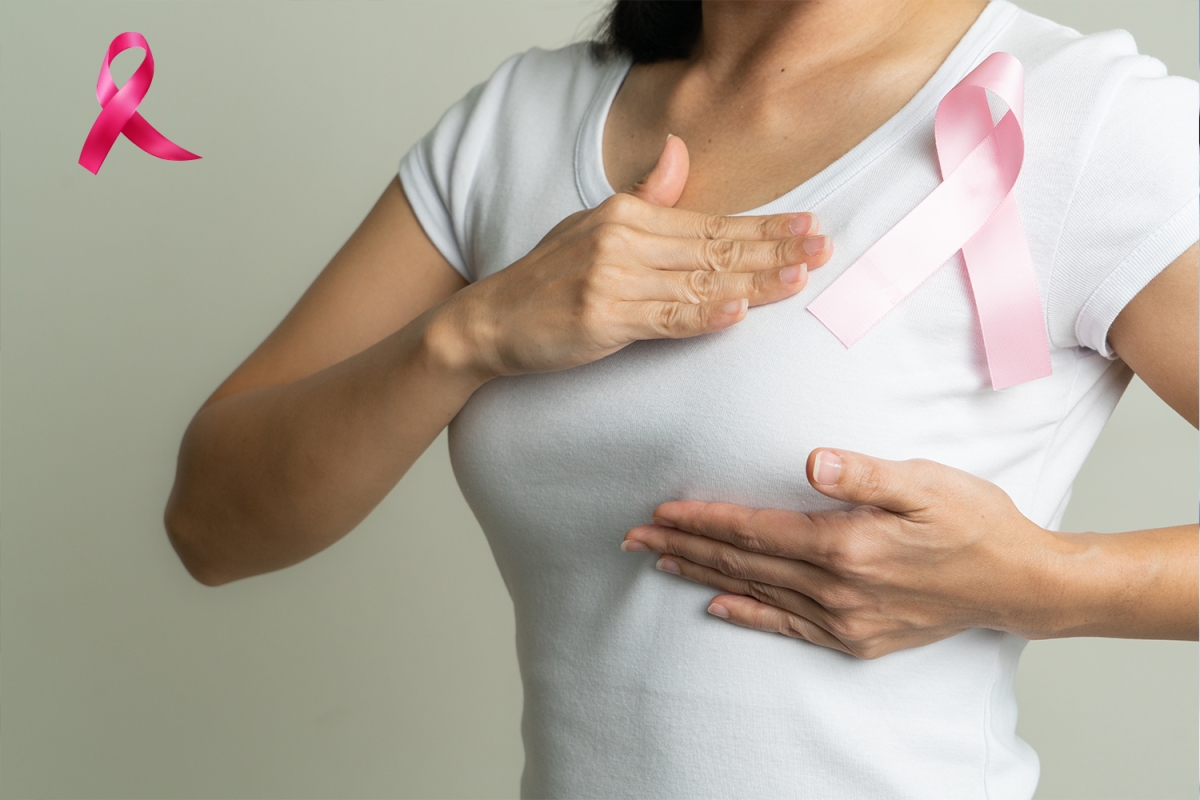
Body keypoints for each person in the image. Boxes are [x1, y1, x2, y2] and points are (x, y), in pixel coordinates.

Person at [163, 0, 1199, 796]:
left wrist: (1042, 583)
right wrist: (470, 335)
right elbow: (212, 524)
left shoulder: (1079, 118)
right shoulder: (522, 120)